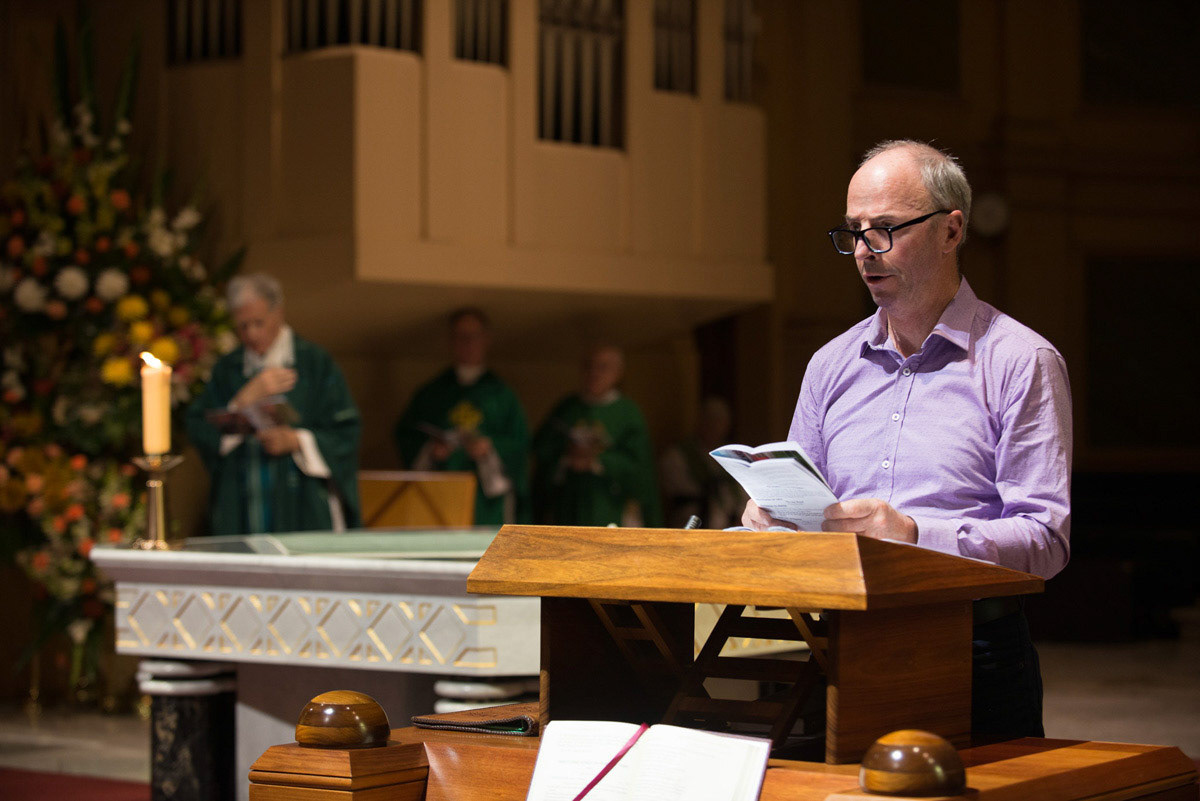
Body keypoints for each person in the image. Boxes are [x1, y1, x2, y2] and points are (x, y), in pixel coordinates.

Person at [743, 140, 1072, 740]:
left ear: (951, 231)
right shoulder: (830, 364)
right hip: (840, 639)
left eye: (886, 230)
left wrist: (916, 536)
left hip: (972, 645)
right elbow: (805, 505)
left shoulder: (1021, 360)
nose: (863, 251)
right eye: (854, 232)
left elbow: (1045, 539)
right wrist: (771, 515)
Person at [186, 273, 362, 535]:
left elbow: (346, 431)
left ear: (278, 312)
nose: (251, 334)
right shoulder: (228, 369)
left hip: (303, 504)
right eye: (242, 326)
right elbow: (199, 427)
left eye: (259, 323)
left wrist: (296, 441)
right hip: (242, 504)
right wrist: (243, 400)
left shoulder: (314, 363)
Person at [393, 308, 529, 525]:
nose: (467, 343)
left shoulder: (502, 395)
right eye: (460, 336)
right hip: (442, 492)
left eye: (474, 336)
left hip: (486, 499)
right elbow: (407, 434)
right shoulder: (432, 393)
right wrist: (431, 450)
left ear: (486, 340)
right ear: (451, 341)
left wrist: (489, 448)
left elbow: (519, 443)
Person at [533, 345, 662, 527]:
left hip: (610, 503)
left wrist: (597, 462)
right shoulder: (567, 408)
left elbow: (640, 469)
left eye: (603, 367)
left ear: (618, 373)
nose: (594, 373)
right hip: (569, 505)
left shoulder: (628, 413)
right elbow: (542, 451)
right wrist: (567, 457)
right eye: (588, 366)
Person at [659, 396, 747, 529]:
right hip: (691, 523)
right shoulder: (677, 456)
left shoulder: (734, 456)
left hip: (730, 526)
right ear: (699, 421)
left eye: (720, 421)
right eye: (710, 419)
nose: (714, 426)